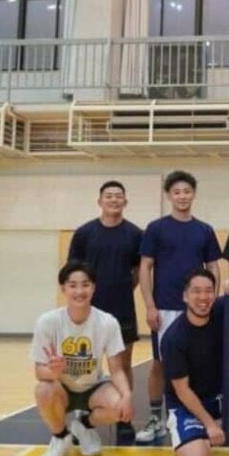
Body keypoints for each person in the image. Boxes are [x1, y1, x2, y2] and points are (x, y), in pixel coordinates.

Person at [137, 171, 222, 444]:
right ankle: (155, 418)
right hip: (164, 306)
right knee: (160, 363)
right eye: (177, 192)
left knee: (202, 360)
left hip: (197, 308)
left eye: (187, 191)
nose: (182, 196)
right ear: (169, 196)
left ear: (193, 194)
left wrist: (212, 299)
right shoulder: (156, 228)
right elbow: (145, 267)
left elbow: (213, 267)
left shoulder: (204, 230)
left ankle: (197, 413)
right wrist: (149, 305)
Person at [30, 261, 133, 456]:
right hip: (62, 389)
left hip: (93, 387)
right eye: (73, 285)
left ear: (93, 288)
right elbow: (39, 372)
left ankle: (83, 425)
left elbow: (116, 370)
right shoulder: (47, 322)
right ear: (63, 289)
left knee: (119, 406)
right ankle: (60, 436)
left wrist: (127, 395)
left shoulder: (107, 322)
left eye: (85, 285)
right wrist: (52, 371)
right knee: (43, 390)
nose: (79, 291)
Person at [67, 180, 143, 442]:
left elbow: (139, 270)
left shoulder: (135, 234)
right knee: (86, 363)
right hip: (89, 310)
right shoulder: (84, 233)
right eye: (108, 196)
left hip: (122, 308)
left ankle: (124, 418)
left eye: (118, 196)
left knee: (123, 364)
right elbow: (73, 272)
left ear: (125, 201)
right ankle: (82, 415)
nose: (113, 200)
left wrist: (123, 288)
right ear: (100, 201)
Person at [159, 268, 225, 456]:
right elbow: (182, 390)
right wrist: (210, 425)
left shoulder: (221, 310)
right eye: (196, 291)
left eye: (209, 291)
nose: (203, 297)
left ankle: (208, 432)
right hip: (186, 405)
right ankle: (197, 433)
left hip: (220, 399)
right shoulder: (173, 338)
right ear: (185, 296)